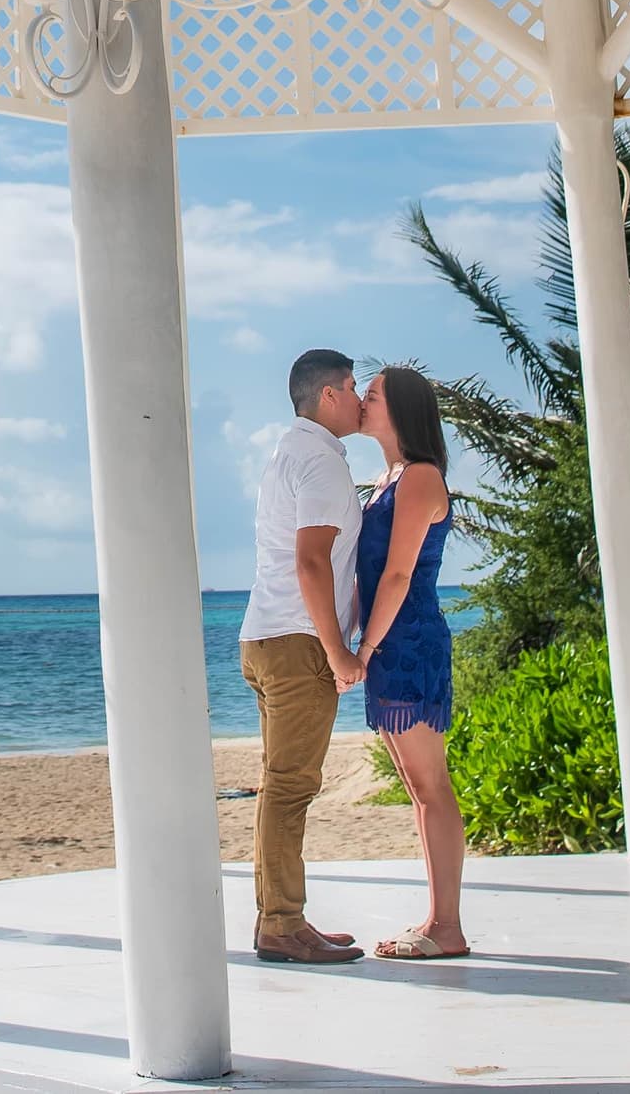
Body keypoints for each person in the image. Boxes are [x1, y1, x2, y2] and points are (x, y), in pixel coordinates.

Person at [240, 347, 368, 965]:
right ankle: (283, 926)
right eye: (353, 386)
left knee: (279, 786)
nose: (361, 397)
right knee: (290, 789)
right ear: (328, 396)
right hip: (297, 643)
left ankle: (278, 918)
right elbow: (312, 561)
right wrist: (339, 651)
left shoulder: (286, 454)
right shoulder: (318, 462)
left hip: (266, 635)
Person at [353, 362, 468, 960]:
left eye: (370, 396)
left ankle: (446, 926)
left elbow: (398, 575)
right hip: (390, 640)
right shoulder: (385, 478)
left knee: (431, 787)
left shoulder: (420, 477)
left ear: (398, 408)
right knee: (420, 789)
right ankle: (438, 920)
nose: (361, 403)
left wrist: (364, 649)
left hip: (409, 640)